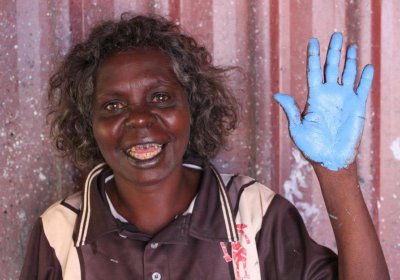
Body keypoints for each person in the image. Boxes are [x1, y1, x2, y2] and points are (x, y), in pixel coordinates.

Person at [20, 13, 389, 280]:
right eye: (113, 106)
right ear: (89, 125)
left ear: (192, 108)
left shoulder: (255, 216)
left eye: (161, 97)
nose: (139, 119)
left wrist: (336, 174)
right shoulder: (59, 233)